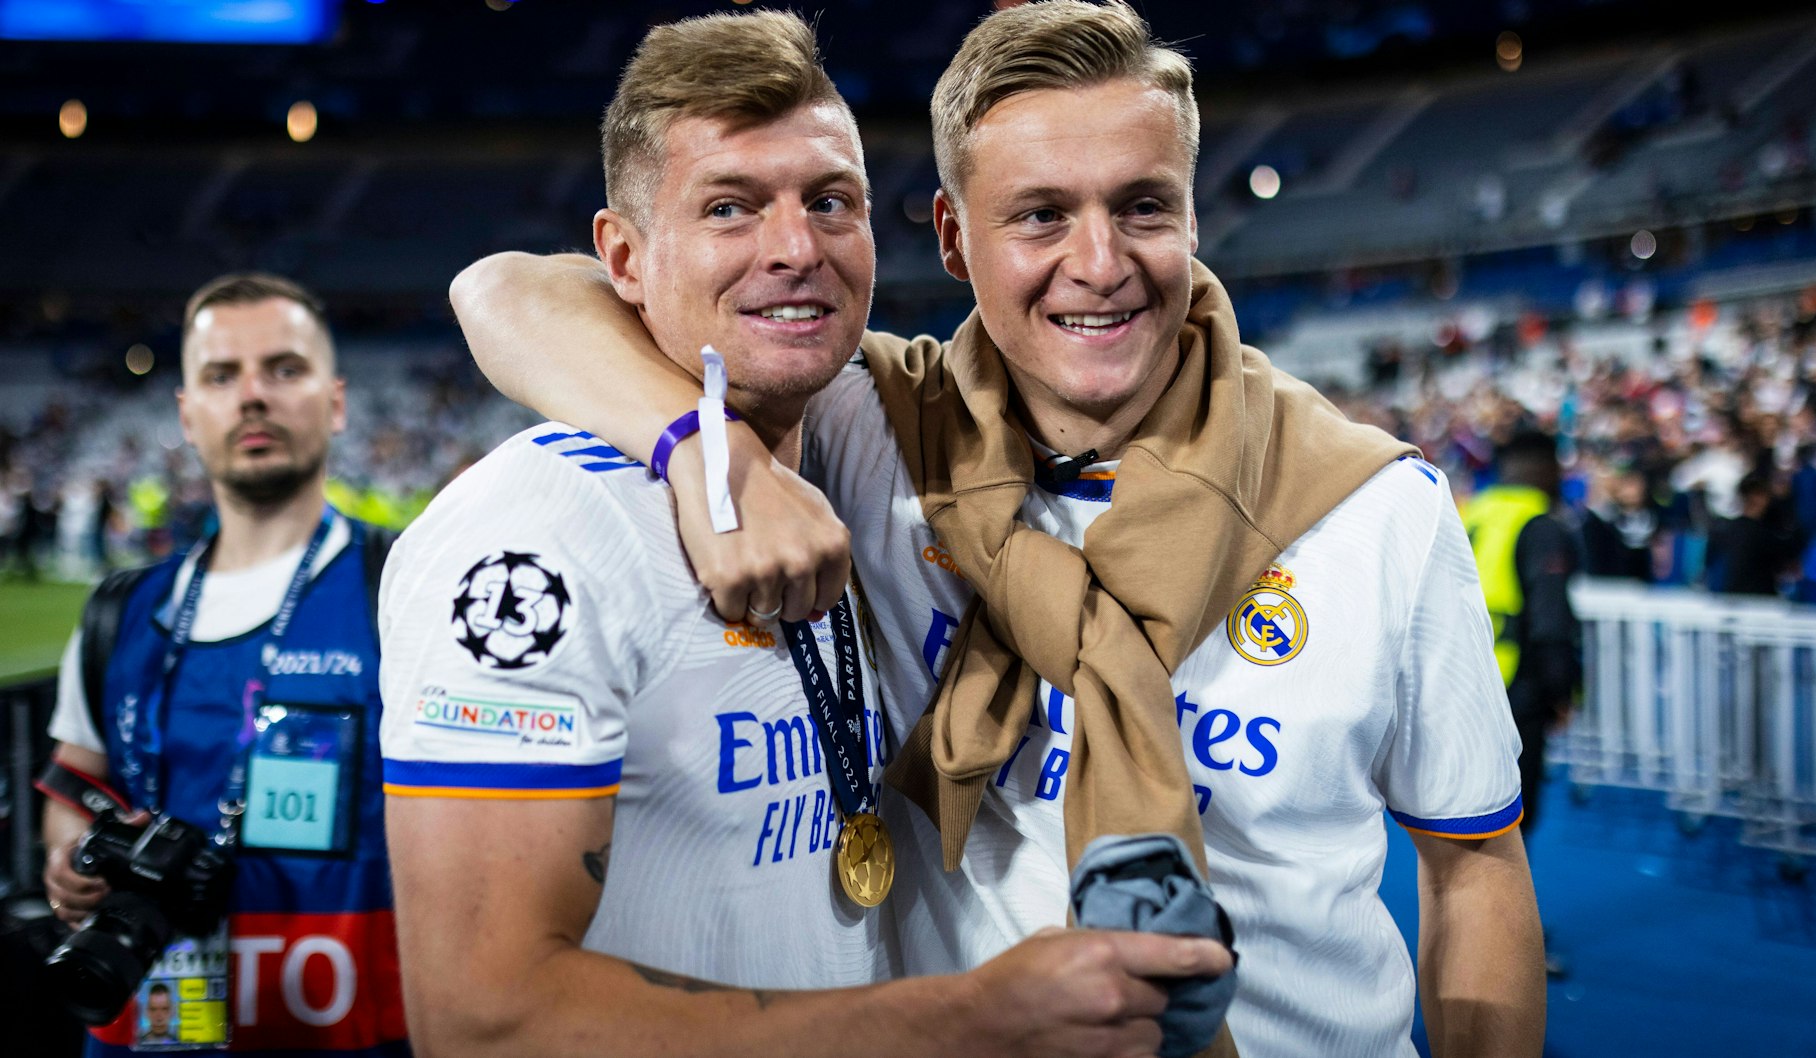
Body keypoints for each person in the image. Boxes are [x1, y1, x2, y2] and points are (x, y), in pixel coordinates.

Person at [450, 3, 1546, 1055]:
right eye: (1039, 214)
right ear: (952, 236)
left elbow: (1473, 862)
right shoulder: (876, 426)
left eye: (1143, 206)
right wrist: (702, 447)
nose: (1100, 261)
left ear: (1191, 217)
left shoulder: (1370, 507)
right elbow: (508, 292)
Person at [377, 12, 1228, 1058]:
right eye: (729, 207)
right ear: (624, 257)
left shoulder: (850, 431)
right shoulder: (533, 539)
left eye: (830, 201)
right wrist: (967, 1020)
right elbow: (481, 1019)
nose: (795, 248)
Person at [36, 273, 407, 1057]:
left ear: (336, 402)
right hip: (147, 1025)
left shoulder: (403, 588)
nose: (252, 397)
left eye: (283, 369)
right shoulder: (122, 611)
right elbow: (74, 779)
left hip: (342, 1026)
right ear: (188, 416)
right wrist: (69, 855)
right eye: (220, 375)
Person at [1460, 430, 1579, 885]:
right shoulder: (1541, 525)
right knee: (1511, 821)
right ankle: (1508, 942)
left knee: (1466, 816)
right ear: (1546, 471)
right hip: (1519, 687)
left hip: (1466, 679)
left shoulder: (1474, 512)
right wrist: (1561, 690)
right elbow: (1551, 620)